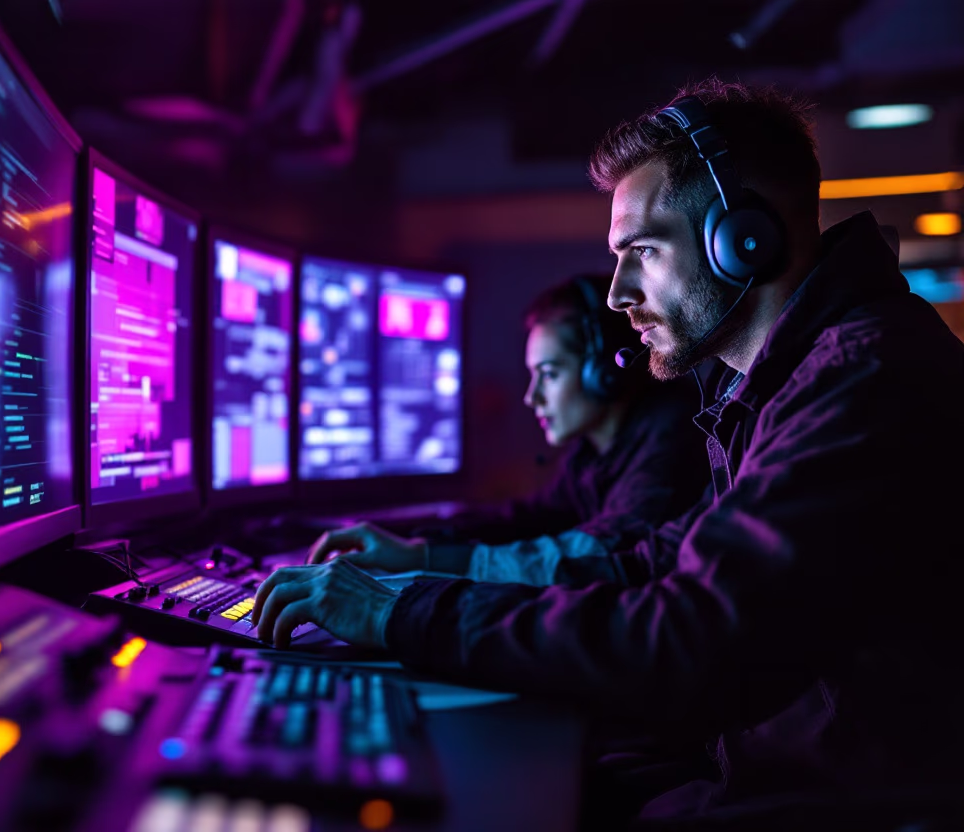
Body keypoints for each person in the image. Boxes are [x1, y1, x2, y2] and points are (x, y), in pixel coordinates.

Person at [252, 78, 964, 827]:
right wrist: (418, 582)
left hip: (837, 803)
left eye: (643, 251)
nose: (620, 293)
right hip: (765, 768)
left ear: (743, 240)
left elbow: (690, 642)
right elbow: (655, 563)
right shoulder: (778, 387)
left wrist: (405, 613)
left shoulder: (863, 379)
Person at [307, 274, 709, 588]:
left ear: (600, 374)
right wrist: (411, 541)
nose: (531, 398)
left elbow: (599, 551)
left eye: (549, 374)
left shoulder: (671, 436)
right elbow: (527, 520)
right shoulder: (595, 451)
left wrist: (421, 559)